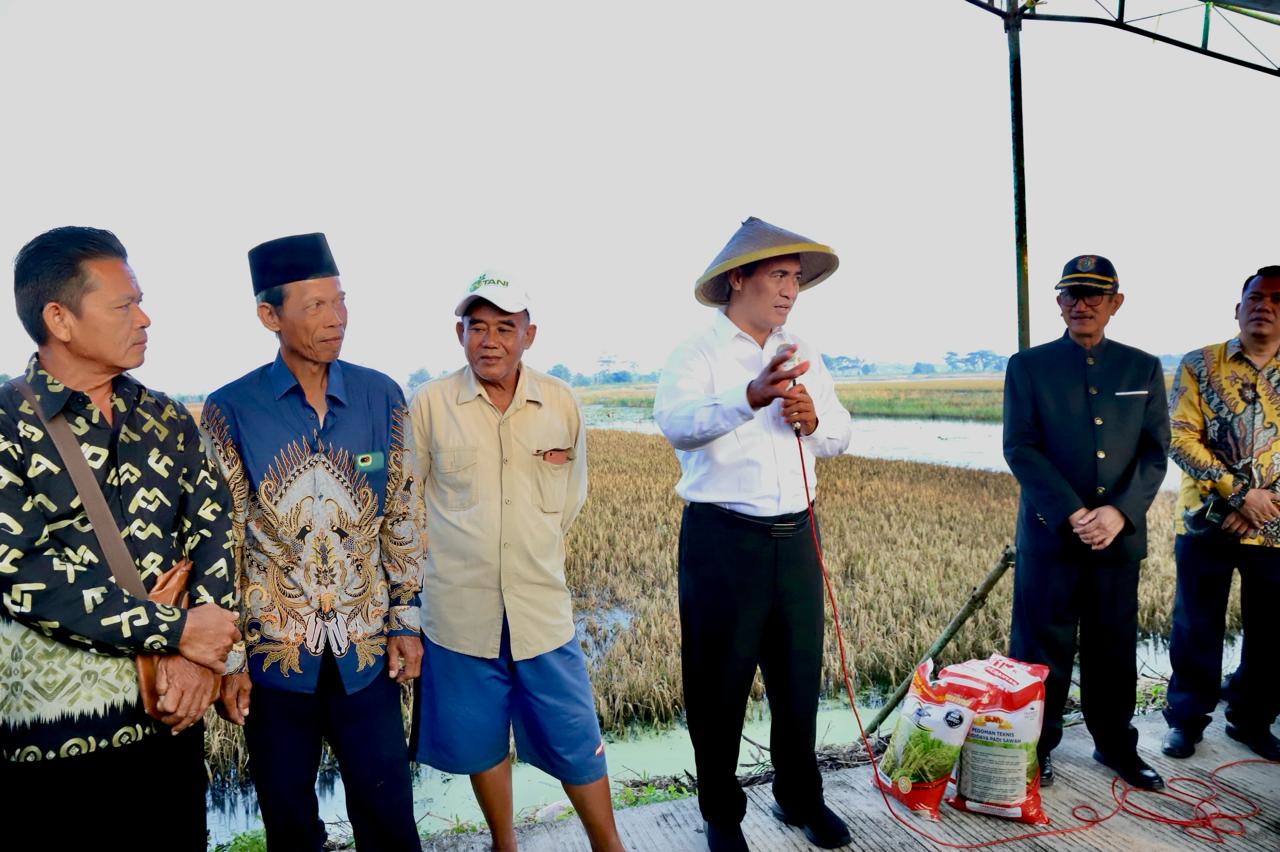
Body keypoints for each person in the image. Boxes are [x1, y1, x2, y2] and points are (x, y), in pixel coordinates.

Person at [0, 226, 241, 850]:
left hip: (169, 718)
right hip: (54, 739)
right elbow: (23, 575)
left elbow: (213, 524)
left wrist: (201, 651)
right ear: (60, 318)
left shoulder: (163, 415)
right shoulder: (6, 424)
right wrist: (175, 630)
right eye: (124, 304)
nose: (145, 317)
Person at [201, 232, 426, 852]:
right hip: (275, 659)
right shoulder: (231, 410)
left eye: (341, 301)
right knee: (289, 819)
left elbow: (401, 514)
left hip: (366, 650)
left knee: (389, 814)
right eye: (316, 306)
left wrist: (406, 620)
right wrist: (230, 660)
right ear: (269, 316)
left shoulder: (382, 396)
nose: (337, 319)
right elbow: (222, 546)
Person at [653, 217, 853, 852]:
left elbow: (840, 435)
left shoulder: (804, 352)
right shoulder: (698, 353)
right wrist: (750, 396)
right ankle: (722, 814)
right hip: (723, 541)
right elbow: (677, 424)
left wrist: (813, 417)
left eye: (795, 279)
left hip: (796, 537)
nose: (790, 291)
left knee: (798, 679)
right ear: (738, 279)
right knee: (718, 687)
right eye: (777, 277)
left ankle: (800, 798)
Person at [409, 274, 623, 852]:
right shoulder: (430, 404)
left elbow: (570, 499)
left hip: (540, 607)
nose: (490, 340)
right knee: (481, 741)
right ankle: (505, 844)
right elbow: (408, 508)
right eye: (477, 327)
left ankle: (610, 846)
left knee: (576, 735)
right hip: (460, 612)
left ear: (529, 334)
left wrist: (525, 547)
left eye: (505, 327)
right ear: (460, 334)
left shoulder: (559, 402)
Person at [1003, 254, 1169, 791]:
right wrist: (1075, 512)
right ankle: (1034, 750)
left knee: (1113, 646)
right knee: (1039, 650)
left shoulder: (1141, 367)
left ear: (1116, 303)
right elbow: (1020, 448)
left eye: (1095, 295)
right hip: (1052, 535)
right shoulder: (1027, 366)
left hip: (1117, 538)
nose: (1082, 304)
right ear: (1058, 302)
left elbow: (1154, 452)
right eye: (1071, 294)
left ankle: (1116, 747)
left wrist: (1119, 512)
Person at [1161, 266, 1280, 762]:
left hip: (1275, 526)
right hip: (1205, 521)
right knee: (1196, 625)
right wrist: (1238, 495)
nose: (1264, 306)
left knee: (1272, 629)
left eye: (1276, 300)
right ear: (1238, 309)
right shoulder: (1199, 364)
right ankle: (1186, 722)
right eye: (1255, 298)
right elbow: (1177, 435)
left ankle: (1250, 720)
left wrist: (1264, 503)